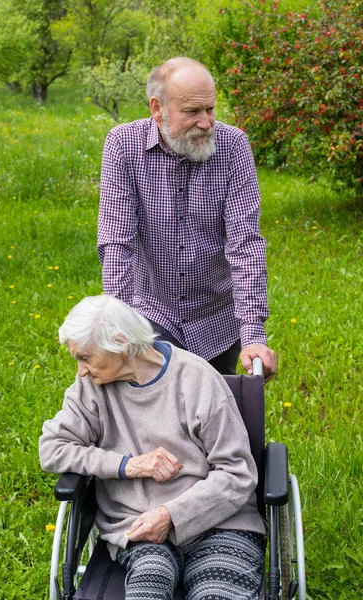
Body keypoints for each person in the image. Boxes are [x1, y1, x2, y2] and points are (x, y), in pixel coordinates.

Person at [39, 295, 266, 600]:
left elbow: (238, 473)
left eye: (85, 357)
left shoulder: (196, 379)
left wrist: (172, 514)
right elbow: (52, 448)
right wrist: (126, 465)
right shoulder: (90, 390)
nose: (81, 370)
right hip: (141, 529)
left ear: (120, 343)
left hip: (220, 523)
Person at [97, 56, 277, 378]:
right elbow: (117, 243)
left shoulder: (233, 145)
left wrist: (252, 334)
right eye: (192, 111)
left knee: (213, 417)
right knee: (152, 419)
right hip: (152, 315)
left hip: (216, 320)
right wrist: (117, 330)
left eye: (210, 109)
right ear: (157, 108)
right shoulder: (123, 145)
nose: (206, 122)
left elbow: (244, 243)